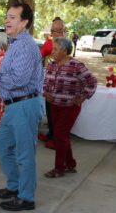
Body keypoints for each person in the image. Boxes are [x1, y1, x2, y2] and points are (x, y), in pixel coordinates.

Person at [0, 3, 43, 211]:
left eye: (12, 18)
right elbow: (14, 77)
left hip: (24, 105)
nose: (7, 21)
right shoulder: (15, 43)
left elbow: (18, 79)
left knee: (25, 154)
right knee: (2, 145)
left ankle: (26, 198)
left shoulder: (25, 45)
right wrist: (3, 90)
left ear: (24, 22)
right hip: (14, 104)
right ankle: (14, 186)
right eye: (6, 17)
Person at [43, 37, 97, 178]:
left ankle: (59, 168)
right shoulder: (52, 65)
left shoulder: (76, 65)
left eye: (55, 49)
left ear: (65, 51)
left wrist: (83, 96)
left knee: (59, 136)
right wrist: (45, 92)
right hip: (54, 106)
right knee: (63, 136)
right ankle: (70, 164)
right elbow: (46, 82)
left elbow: (92, 82)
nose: (52, 51)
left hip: (70, 107)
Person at [38, 17, 67, 150]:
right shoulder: (47, 44)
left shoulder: (66, 44)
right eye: (56, 31)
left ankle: (57, 138)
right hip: (49, 79)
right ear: (51, 31)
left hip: (63, 81)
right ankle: (51, 134)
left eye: (61, 30)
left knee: (59, 110)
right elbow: (38, 57)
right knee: (49, 108)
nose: (59, 33)